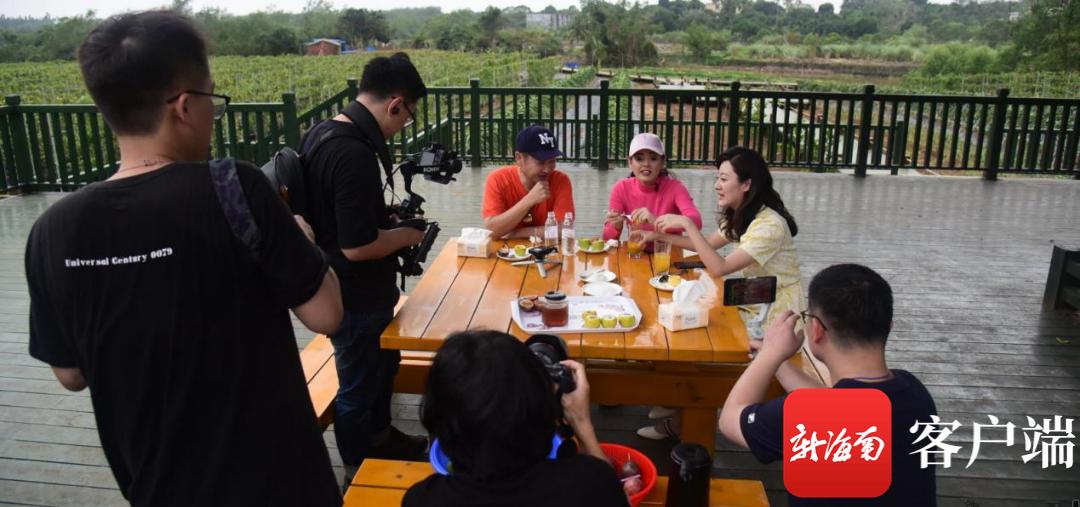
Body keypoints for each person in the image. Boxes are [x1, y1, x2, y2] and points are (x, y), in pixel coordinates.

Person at [24, 11, 343, 506]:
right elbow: (327, 314)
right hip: (279, 483)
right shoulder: (233, 188)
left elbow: (70, 374)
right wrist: (300, 238)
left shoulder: (52, 231)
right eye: (212, 97)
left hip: (156, 487)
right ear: (184, 106)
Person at [298, 53, 430, 484]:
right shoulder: (352, 153)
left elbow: (338, 217)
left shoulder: (322, 133)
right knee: (357, 385)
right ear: (395, 104)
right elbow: (356, 246)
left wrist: (385, 216)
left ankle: (380, 437)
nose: (403, 124)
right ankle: (359, 468)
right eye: (407, 115)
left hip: (338, 285)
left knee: (378, 370)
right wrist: (407, 235)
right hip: (353, 294)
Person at [718, 264, 938, 506]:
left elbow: (729, 420)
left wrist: (771, 353)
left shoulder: (809, 416)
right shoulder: (915, 393)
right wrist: (778, 362)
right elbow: (841, 407)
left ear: (816, 330)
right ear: (889, 326)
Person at [639, 146, 804, 440]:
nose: (717, 185)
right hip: (753, 298)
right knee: (686, 318)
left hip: (777, 316)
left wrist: (686, 223)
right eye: (717, 177)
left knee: (696, 335)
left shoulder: (770, 226)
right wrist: (657, 234)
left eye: (724, 178)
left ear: (746, 183)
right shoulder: (745, 213)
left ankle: (681, 415)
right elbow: (706, 246)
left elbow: (719, 267)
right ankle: (674, 401)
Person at [403, 330, 628, 507]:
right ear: (540, 409)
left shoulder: (423, 499)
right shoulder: (588, 485)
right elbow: (610, 494)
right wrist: (581, 421)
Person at [602, 132, 702, 242]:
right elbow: (607, 239)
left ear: (663, 162)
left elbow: (696, 222)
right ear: (630, 162)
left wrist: (655, 220)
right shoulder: (621, 188)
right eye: (639, 159)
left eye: (653, 158)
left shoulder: (675, 187)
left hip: (670, 255)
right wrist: (616, 226)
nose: (646, 164)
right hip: (637, 254)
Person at [482, 125, 575, 239]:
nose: (547, 169)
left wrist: (516, 233)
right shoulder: (498, 180)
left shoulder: (560, 180)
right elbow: (491, 231)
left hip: (549, 252)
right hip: (505, 253)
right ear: (519, 158)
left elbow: (564, 229)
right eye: (540, 162)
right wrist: (529, 200)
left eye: (552, 161)